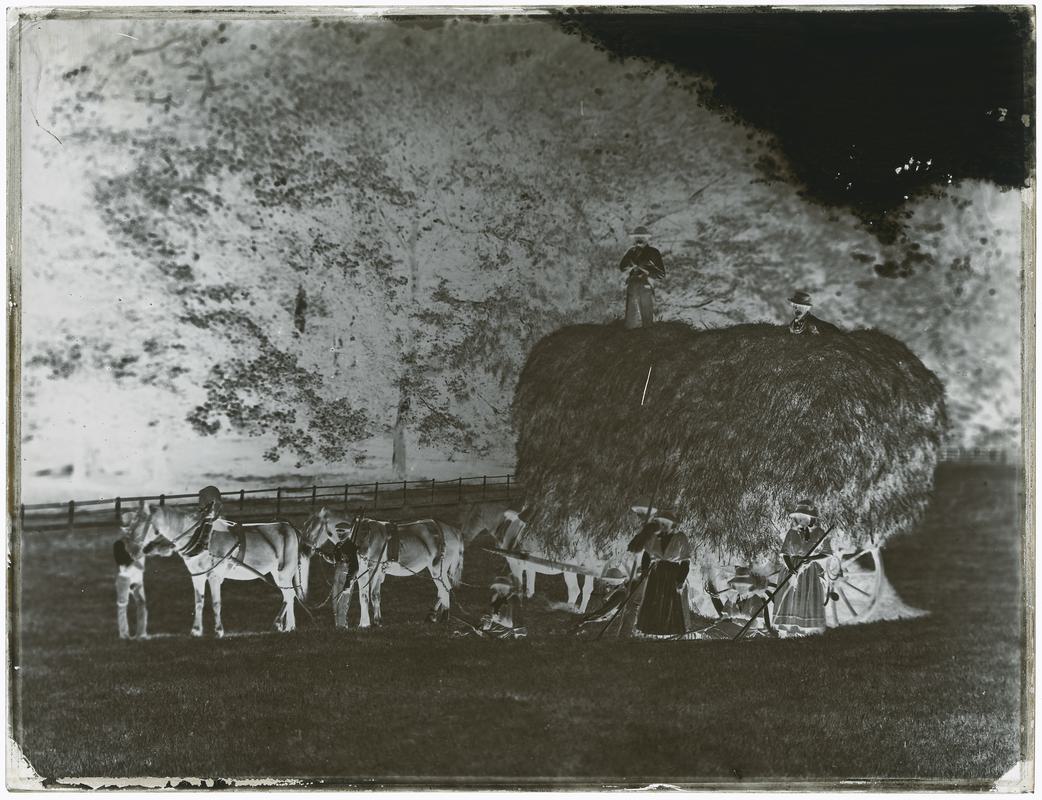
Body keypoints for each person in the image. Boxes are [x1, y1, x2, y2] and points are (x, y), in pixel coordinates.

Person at [621, 507, 692, 637]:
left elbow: (685, 561)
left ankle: (670, 632)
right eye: (661, 522)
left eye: (666, 522)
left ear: (673, 524)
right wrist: (644, 572)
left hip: (672, 573)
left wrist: (681, 580)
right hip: (656, 572)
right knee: (654, 600)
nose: (663, 525)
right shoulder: (654, 538)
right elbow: (647, 555)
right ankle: (652, 631)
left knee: (670, 603)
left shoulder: (680, 538)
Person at [774, 500, 832, 637]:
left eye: (804, 517)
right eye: (799, 517)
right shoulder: (791, 532)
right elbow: (785, 553)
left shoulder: (819, 532)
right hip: (791, 569)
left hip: (809, 570)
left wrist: (811, 559)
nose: (801, 520)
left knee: (805, 597)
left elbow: (827, 553)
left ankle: (805, 632)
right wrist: (790, 568)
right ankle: (786, 633)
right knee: (789, 598)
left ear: (811, 518)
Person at [618, 226, 665, 329]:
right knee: (630, 321)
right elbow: (622, 267)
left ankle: (647, 339)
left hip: (646, 286)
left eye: (642, 237)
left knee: (647, 320)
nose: (639, 239)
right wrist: (632, 263)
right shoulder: (631, 252)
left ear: (647, 238)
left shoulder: (653, 252)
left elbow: (661, 274)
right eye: (636, 237)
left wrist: (644, 267)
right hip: (632, 286)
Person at [113, 536, 148, 640]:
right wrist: (136, 562)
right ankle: (124, 635)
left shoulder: (142, 544)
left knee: (141, 604)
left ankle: (141, 634)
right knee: (123, 606)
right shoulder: (119, 544)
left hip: (136, 579)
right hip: (125, 579)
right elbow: (124, 566)